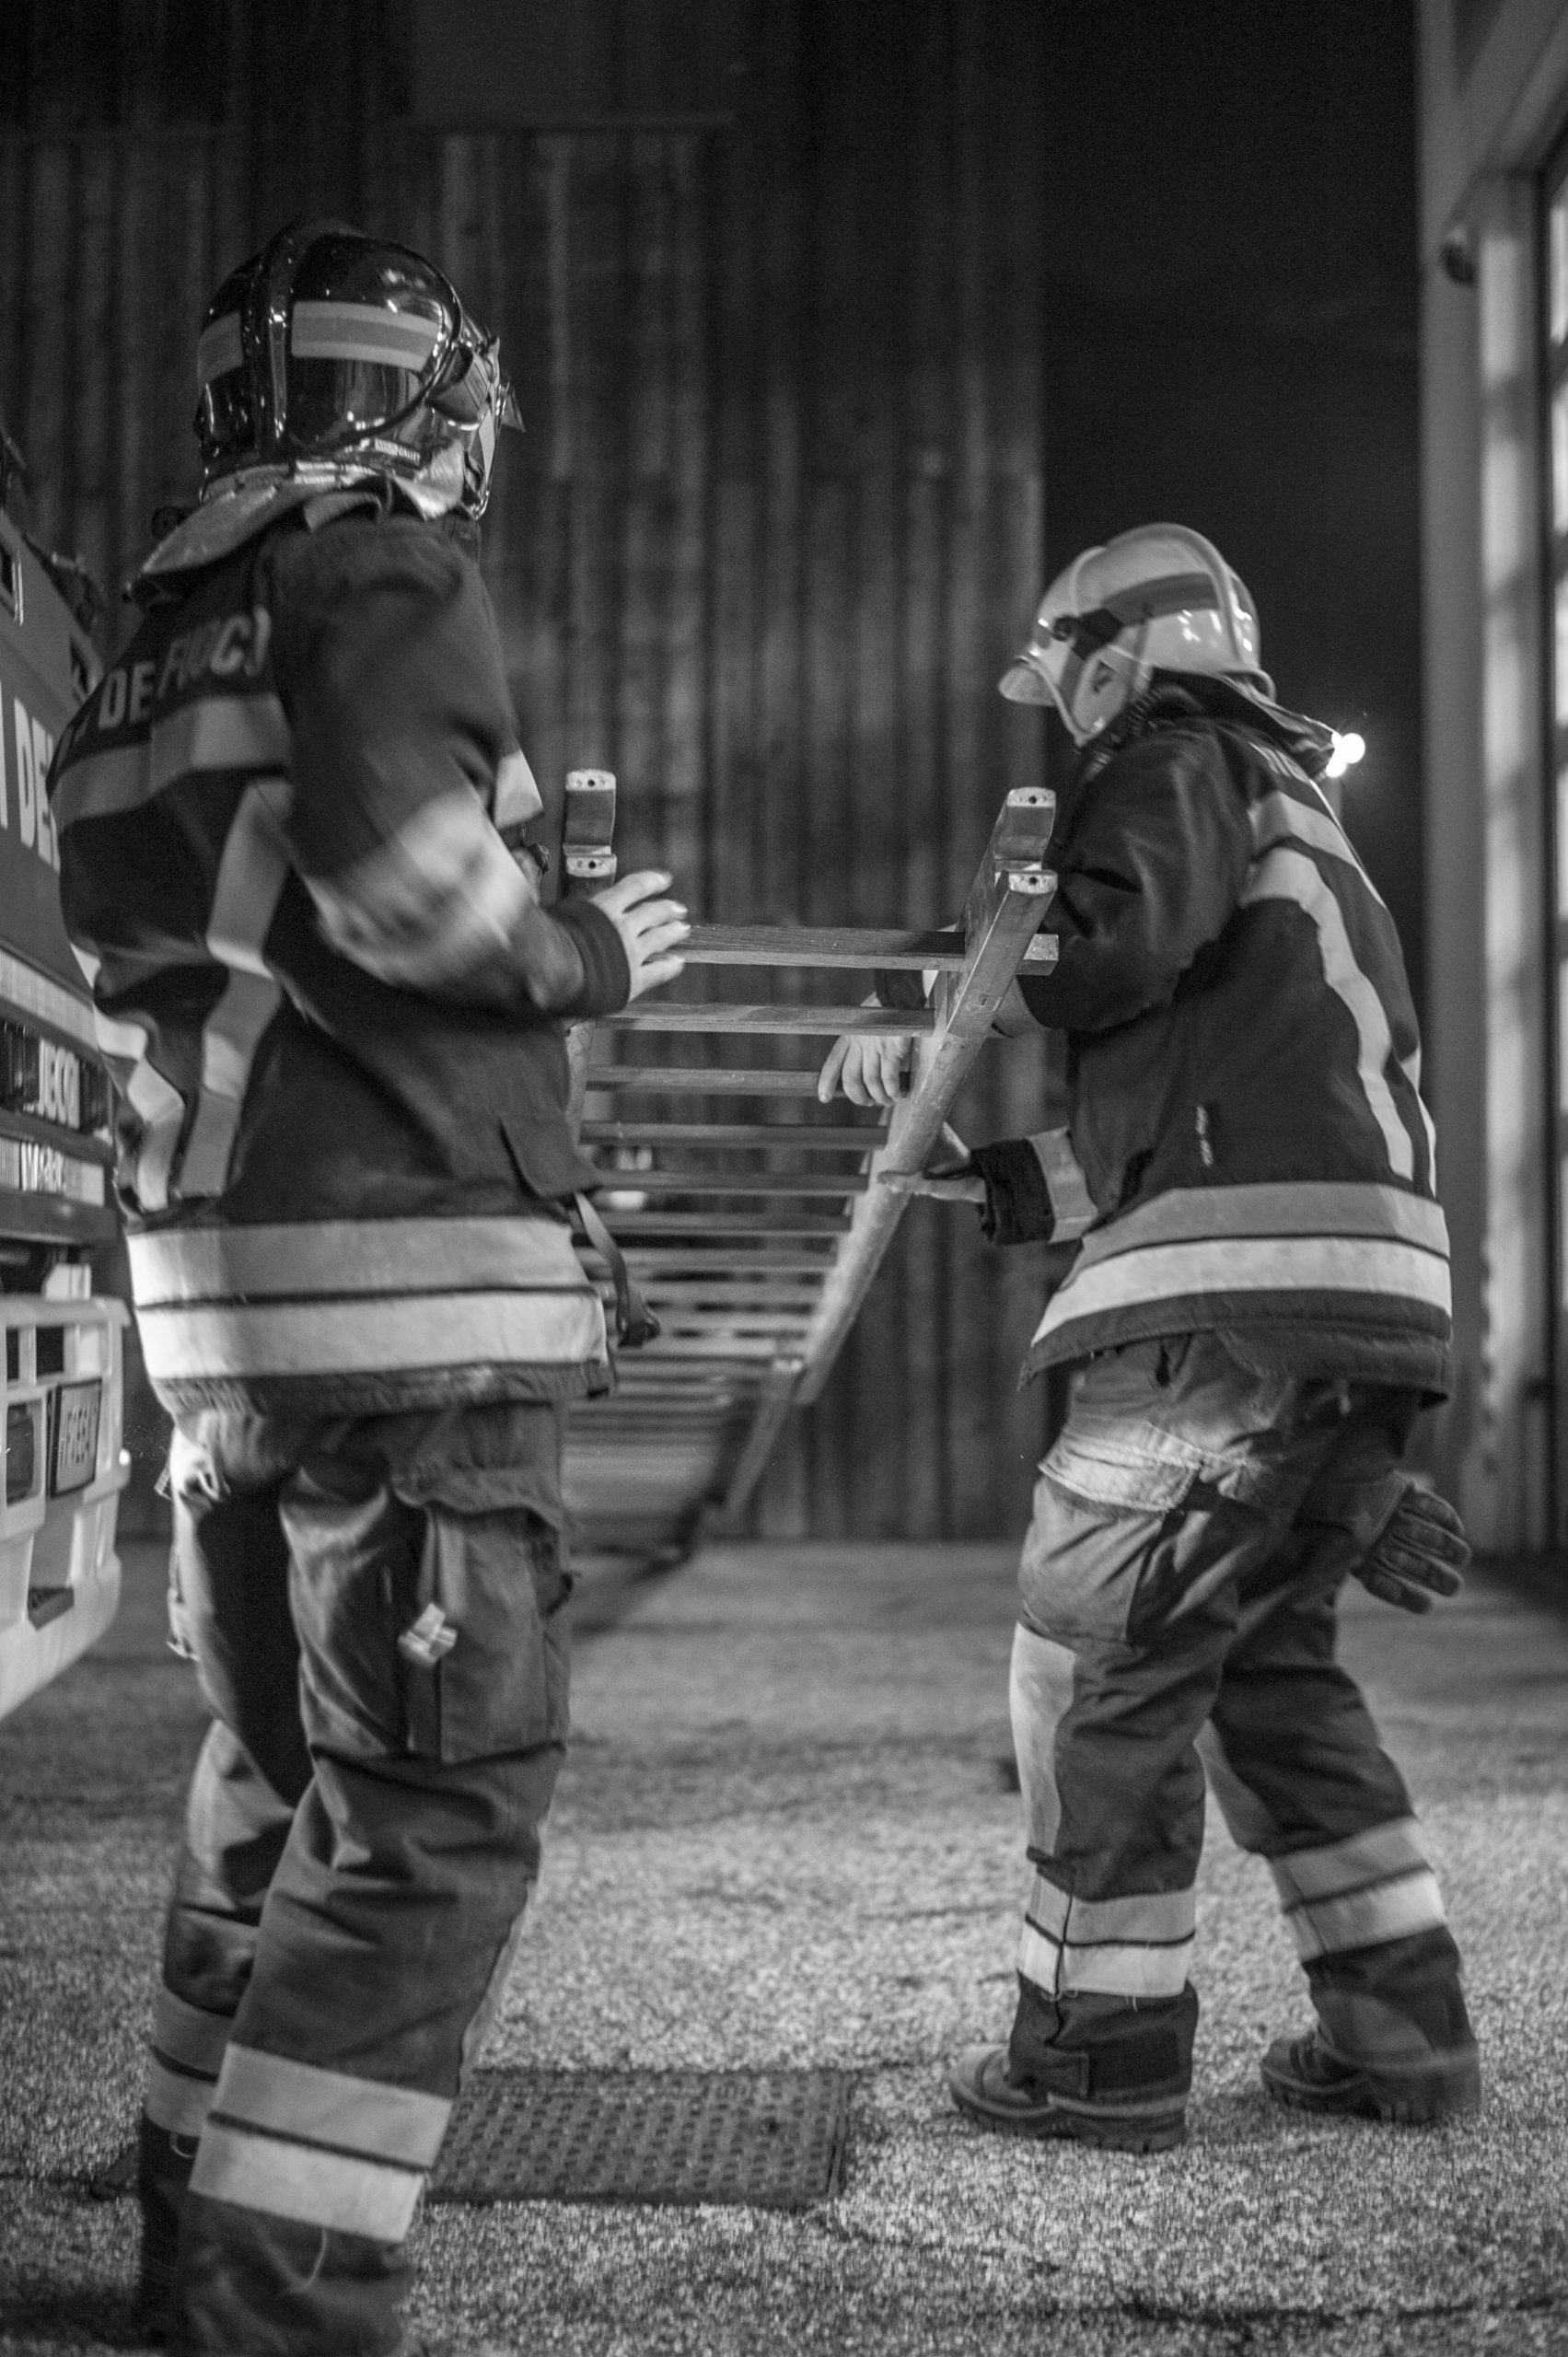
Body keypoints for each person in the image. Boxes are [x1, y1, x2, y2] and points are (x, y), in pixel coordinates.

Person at [49, 220, 688, 2354]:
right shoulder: (380, 570)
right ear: (429, 401)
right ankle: (279, 2298)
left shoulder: (140, 650)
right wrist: (586, 950)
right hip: (406, 1309)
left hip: (218, 1323)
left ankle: (188, 2225)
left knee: (272, 1777)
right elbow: (422, 898)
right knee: (423, 1809)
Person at [819, 524, 1476, 2153]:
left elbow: (1091, 946)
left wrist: (929, 1003)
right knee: (1271, 1679)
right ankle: (1404, 2038)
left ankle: (1095, 2056)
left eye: (1063, 683)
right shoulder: (1294, 821)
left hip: (1221, 1323)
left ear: (1113, 662)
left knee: (1095, 1662)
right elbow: (1184, 1128)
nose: (1063, 715)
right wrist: (991, 1180)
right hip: (1350, 1318)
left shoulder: (1176, 759)